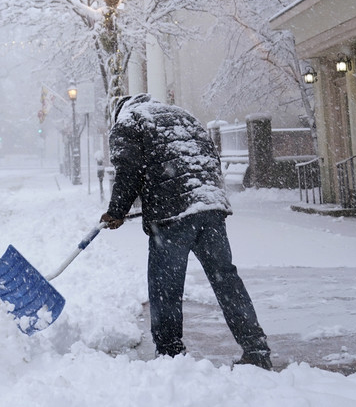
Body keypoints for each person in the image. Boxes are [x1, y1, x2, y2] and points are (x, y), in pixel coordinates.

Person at [100, 93, 272, 370]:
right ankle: (256, 349)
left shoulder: (128, 121)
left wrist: (117, 211)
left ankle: (170, 356)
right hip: (210, 204)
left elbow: (129, 170)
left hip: (173, 215)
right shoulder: (182, 115)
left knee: (165, 287)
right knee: (226, 280)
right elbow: (208, 157)